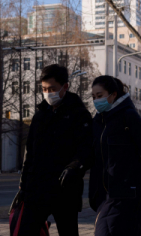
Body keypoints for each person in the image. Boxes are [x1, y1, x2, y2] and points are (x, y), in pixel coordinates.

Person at [17, 64, 93, 236]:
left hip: (65, 191)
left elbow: (87, 150)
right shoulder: (40, 115)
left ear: (65, 87)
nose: (48, 93)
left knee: (68, 231)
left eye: (52, 88)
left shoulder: (79, 114)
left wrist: (74, 167)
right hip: (36, 190)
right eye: (44, 89)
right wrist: (24, 186)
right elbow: (30, 152)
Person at [89, 76, 141, 236]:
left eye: (100, 96)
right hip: (102, 194)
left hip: (125, 192)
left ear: (113, 95)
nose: (96, 101)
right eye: (93, 97)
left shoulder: (128, 116)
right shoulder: (98, 122)